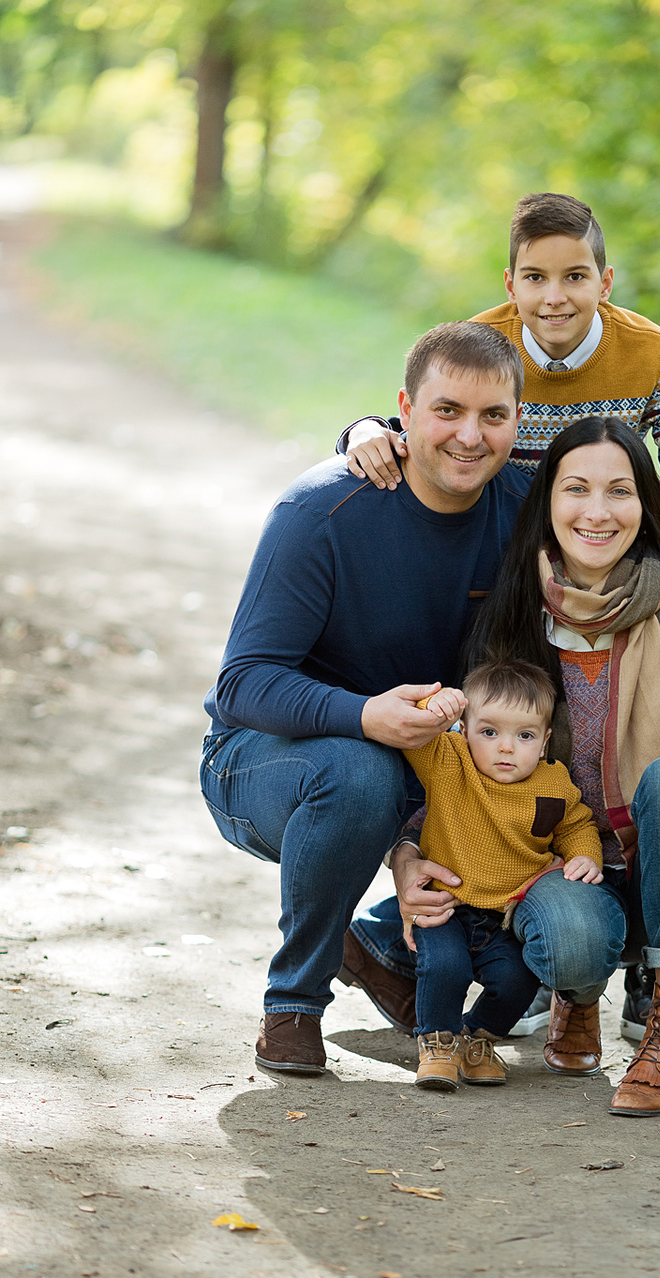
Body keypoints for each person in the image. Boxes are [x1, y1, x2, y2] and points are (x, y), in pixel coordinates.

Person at [343, 191, 660, 1053]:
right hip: (509, 575)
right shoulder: (482, 341)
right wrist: (364, 427)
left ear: (604, 279)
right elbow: (420, 417)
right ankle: (459, 918)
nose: (554, 297)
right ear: (510, 282)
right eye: (534, 278)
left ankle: (646, 979)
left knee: (639, 764)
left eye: (574, 276)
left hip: (611, 571)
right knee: (495, 742)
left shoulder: (647, 355)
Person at [200, 321, 544, 1074]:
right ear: (404, 412)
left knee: (535, 759)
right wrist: (363, 715)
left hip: (423, 762)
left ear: (518, 422)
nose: (469, 435)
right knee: (360, 772)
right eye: (446, 410)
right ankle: (293, 1004)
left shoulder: (523, 510)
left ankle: (380, 938)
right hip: (260, 762)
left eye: (494, 416)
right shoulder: (322, 511)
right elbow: (243, 681)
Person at [395, 411, 660, 1116]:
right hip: (550, 867)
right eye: (575, 489)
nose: (596, 511)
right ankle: (577, 993)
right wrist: (405, 849)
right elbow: (455, 761)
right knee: (577, 941)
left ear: (645, 505)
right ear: (546, 501)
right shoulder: (510, 615)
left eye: (619, 492)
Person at [402, 660, 603, 1091]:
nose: (506, 748)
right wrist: (435, 704)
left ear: (546, 740)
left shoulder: (553, 782)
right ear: (464, 729)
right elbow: (413, 731)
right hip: (447, 905)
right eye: (489, 732)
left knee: (517, 981)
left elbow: (576, 825)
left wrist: (586, 855)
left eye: (524, 735)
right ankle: (436, 1045)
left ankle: (476, 1042)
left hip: (506, 918)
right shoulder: (449, 760)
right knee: (446, 970)